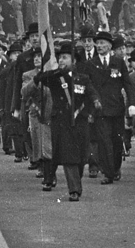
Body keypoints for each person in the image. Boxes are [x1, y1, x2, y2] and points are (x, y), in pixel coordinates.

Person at [36, 42, 99, 201]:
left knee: (81, 156)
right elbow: (40, 78)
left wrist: (96, 102)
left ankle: (61, 180)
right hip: (62, 122)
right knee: (65, 154)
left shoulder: (82, 78)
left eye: (65, 57)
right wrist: (57, 72)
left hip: (80, 121)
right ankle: (74, 190)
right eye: (60, 58)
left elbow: (91, 93)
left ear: (74, 60)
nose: (62, 60)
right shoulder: (56, 77)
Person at [88, 31, 135, 184]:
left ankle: (115, 168)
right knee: (104, 141)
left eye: (102, 43)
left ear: (109, 46)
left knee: (116, 141)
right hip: (100, 109)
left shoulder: (118, 62)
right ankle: (107, 173)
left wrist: (132, 104)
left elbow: (127, 83)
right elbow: (89, 86)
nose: (99, 46)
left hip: (116, 108)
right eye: (98, 43)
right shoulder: (91, 64)